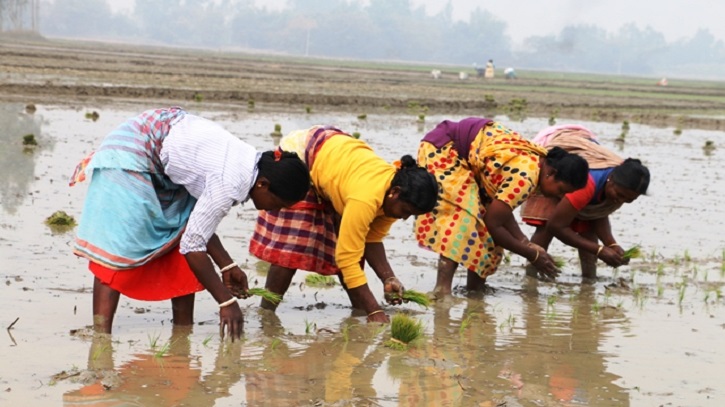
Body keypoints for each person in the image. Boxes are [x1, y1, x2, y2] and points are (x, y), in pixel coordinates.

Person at [69, 107, 310, 340]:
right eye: (278, 203)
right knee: (119, 244)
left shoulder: (249, 162)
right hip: (132, 151)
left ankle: (181, 337)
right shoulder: (229, 182)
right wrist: (226, 302)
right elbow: (193, 246)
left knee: (181, 227)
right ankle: (101, 339)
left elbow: (197, 227)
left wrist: (227, 266)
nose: (275, 210)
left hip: (161, 150)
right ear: (264, 185)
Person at [249, 126, 438, 323]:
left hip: (336, 161)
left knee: (349, 241)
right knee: (292, 245)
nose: (405, 218)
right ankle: (267, 315)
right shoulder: (365, 199)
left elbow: (370, 239)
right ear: (395, 192)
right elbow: (347, 257)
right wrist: (375, 310)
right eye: (406, 212)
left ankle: (360, 310)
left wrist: (388, 278)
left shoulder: (394, 196)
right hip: (304, 157)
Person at [415, 118, 589, 297]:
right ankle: (442, 291)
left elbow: (500, 213)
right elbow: (494, 223)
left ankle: (474, 291)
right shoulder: (525, 178)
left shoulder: (538, 162)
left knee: (485, 230)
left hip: (467, 155)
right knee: (461, 217)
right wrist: (531, 254)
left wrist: (525, 242)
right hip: (445, 149)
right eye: (560, 190)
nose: (558, 197)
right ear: (552, 174)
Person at [520, 124, 650, 280]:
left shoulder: (623, 184)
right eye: (620, 195)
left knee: (588, 232)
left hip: (586, 174)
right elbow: (557, 226)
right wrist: (599, 250)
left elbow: (598, 212)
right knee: (547, 225)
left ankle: (589, 281)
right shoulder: (586, 184)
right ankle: (531, 278)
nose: (621, 200)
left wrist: (611, 245)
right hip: (560, 165)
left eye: (630, 199)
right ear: (611, 181)